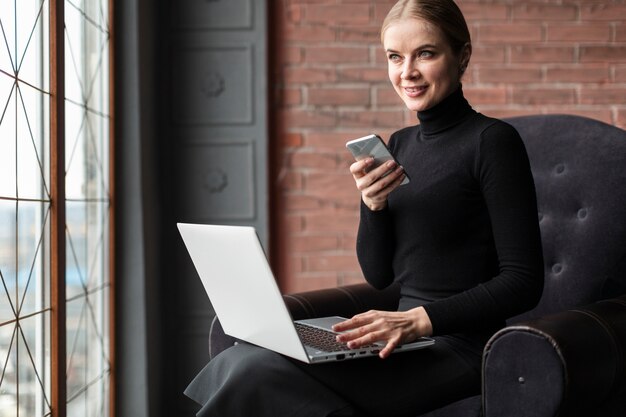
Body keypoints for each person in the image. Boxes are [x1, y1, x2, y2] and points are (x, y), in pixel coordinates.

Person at [183, 0, 544, 416]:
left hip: (459, 348)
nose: (406, 72)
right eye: (395, 57)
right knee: (242, 356)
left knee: (257, 373)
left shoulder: (493, 142)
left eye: (425, 53)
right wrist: (372, 205)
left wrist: (418, 321)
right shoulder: (401, 145)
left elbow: (523, 281)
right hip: (397, 338)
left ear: (461, 56)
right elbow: (379, 275)